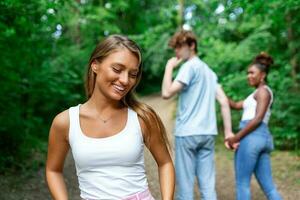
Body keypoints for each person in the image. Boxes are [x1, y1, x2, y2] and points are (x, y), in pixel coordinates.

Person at [46, 35, 175, 200]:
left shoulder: (142, 117)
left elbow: (165, 163)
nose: (125, 80)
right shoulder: (65, 122)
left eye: (133, 74)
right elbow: (53, 170)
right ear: (95, 65)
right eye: (117, 69)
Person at [161, 30, 235, 200]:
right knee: (208, 187)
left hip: (187, 134)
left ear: (192, 45)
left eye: (179, 47)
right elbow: (224, 102)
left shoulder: (189, 66)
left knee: (185, 189)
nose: (176, 52)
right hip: (208, 134)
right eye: (175, 48)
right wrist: (229, 132)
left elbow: (166, 93)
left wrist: (169, 67)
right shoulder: (210, 72)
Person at [226, 52, 282, 200]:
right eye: (247, 73)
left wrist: (235, 138)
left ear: (262, 75)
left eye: (252, 73)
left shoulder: (263, 91)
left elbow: (257, 119)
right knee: (269, 187)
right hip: (261, 139)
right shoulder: (255, 94)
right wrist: (218, 92)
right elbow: (236, 105)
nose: (248, 76)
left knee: (242, 184)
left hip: (252, 137)